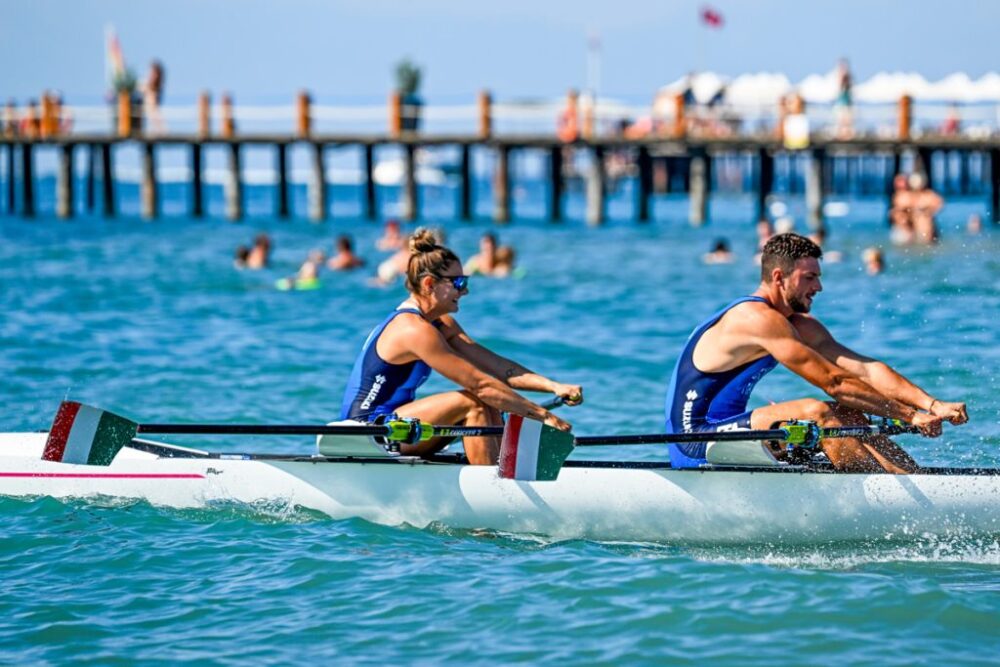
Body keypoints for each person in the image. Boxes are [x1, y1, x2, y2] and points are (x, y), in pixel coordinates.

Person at [664, 233, 966, 474]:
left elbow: (865, 370)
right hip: (696, 440)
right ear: (780, 277)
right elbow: (834, 382)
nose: (819, 286)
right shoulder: (755, 319)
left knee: (847, 413)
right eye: (809, 277)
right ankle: (884, 504)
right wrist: (910, 416)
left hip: (733, 430)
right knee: (818, 412)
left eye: (818, 277)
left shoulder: (795, 324)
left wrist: (931, 404)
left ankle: (914, 483)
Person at [341, 228, 583, 465]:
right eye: (458, 281)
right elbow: (480, 385)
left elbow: (500, 369)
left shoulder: (440, 323)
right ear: (429, 284)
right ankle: (493, 490)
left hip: (401, 426)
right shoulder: (413, 329)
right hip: (369, 430)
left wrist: (553, 386)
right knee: (475, 401)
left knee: (490, 402)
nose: (465, 290)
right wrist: (544, 416)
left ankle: (504, 474)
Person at [909, 173, 943, 245]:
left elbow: (940, 204)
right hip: (916, 229)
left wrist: (929, 210)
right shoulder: (912, 196)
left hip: (928, 229)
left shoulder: (929, 195)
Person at [888, 174, 915, 245]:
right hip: (898, 228)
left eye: (901, 181)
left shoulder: (908, 195)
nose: (899, 184)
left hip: (906, 229)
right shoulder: (896, 195)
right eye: (897, 181)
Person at [143, 60, 166, 134]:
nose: (152, 75)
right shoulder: (146, 86)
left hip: (153, 116)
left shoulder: (155, 89)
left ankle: (160, 131)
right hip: (147, 117)